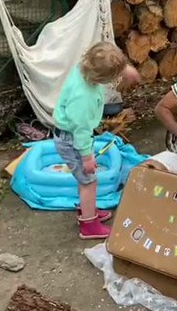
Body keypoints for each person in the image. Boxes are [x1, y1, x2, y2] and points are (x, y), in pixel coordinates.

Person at [52, 41, 139, 239]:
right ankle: (88, 225)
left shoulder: (84, 66)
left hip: (71, 135)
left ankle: (88, 208)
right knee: (89, 182)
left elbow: (102, 57)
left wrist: (124, 69)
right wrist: (86, 157)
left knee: (88, 180)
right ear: (103, 78)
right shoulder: (83, 98)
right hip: (72, 139)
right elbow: (80, 130)